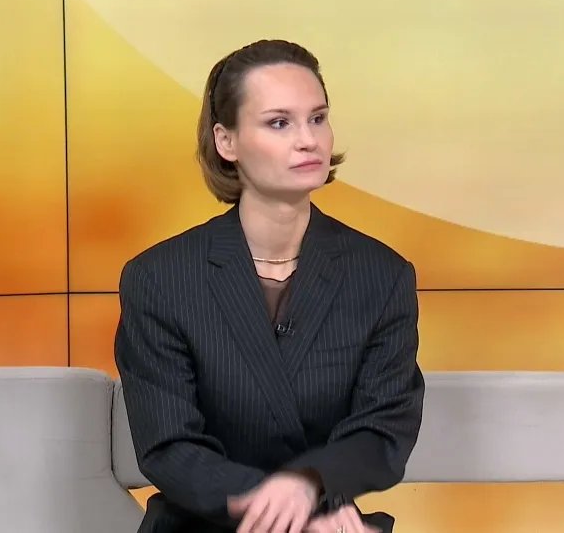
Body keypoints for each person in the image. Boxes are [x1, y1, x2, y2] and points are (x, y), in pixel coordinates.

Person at [115, 39, 425, 533]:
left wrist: (311, 485)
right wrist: (290, 511)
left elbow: (382, 429)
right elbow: (170, 446)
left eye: (317, 118)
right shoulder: (160, 278)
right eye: (279, 123)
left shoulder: (382, 275)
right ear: (226, 141)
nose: (308, 140)